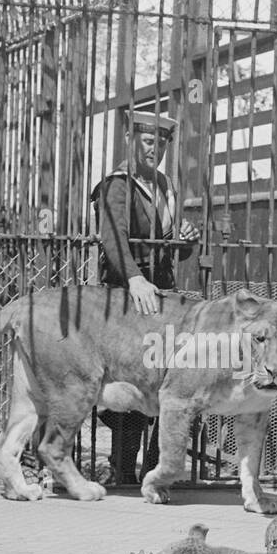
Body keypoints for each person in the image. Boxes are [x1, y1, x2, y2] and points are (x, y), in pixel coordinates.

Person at [92, 108, 200, 485]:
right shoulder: (116, 185)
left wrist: (184, 240)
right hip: (126, 299)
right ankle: (123, 470)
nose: (155, 149)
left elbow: (167, 250)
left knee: (167, 384)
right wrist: (136, 279)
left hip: (163, 301)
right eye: (149, 141)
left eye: (162, 143)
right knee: (132, 387)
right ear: (131, 140)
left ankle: (156, 468)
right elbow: (114, 240)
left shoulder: (164, 186)